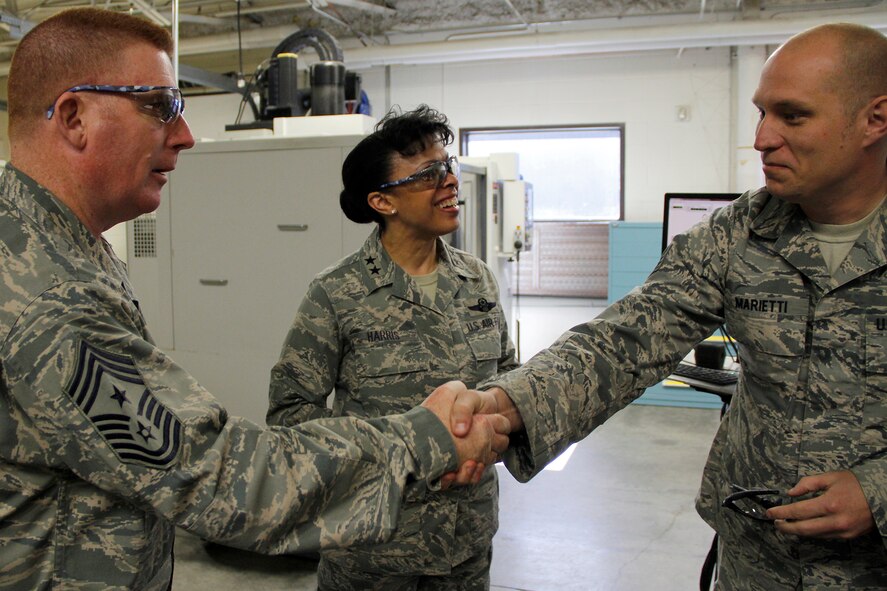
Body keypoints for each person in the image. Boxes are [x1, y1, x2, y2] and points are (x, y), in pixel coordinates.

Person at [0, 9, 509, 590]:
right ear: (74, 117)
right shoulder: (48, 290)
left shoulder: (65, 250)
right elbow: (220, 478)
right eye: (161, 106)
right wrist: (429, 438)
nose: (186, 134)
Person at [453, 22, 887, 590]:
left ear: (875, 119)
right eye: (762, 113)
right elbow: (626, 340)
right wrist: (502, 404)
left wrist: (878, 491)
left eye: (793, 116)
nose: (762, 138)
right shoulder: (740, 233)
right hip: (757, 560)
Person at [267, 105, 519, 590]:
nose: (449, 181)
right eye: (428, 174)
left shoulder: (478, 280)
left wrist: (490, 436)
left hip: (466, 544)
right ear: (383, 202)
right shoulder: (337, 293)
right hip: (373, 549)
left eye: (448, 167)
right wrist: (394, 449)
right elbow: (289, 414)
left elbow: (509, 378)